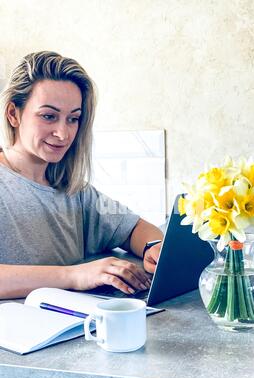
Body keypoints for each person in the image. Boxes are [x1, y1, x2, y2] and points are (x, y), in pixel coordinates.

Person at [0, 51, 163, 299]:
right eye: (48, 116)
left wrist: (154, 248)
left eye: (73, 119)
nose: (63, 134)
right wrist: (74, 276)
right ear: (13, 114)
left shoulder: (75, 191)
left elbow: (134, 229)